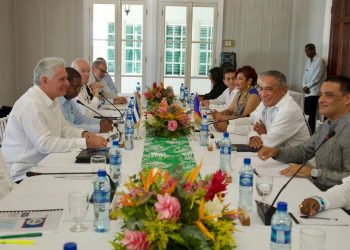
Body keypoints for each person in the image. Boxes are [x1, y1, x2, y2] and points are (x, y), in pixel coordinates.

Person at [2, 57, 108, 182]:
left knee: (89, 175)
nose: (67, 83)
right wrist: (84, 142)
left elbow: (63, 128)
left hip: (44, 163)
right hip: (24, 173)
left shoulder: (53, 99)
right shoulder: (31, 104)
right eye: (62, 79)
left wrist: (84, 134)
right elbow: (45, 144)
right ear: (44, 80)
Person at [258, 75, 350, 190]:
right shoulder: (327, 125)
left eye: (329, 95)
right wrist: (276, 152)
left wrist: (314, 173)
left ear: (347, 98)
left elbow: (348, 178)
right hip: (320, 189)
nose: (321, 100)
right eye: (321, 95)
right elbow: (303, 151)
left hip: (341, 202)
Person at [248, 70, 310, 149]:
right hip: (277, 155)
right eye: (260, 88)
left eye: (269, 89)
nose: (263, 94)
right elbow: (251, 122)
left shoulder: (288, 110)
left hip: (296, 160)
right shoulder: (266, 102)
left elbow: (269, 143)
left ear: (283, 90)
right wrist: (253, 136)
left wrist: (263, 134)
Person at [59, 67, 113, 133]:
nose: (78, 90)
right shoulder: (58, 103)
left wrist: (101, 121)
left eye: (80, 87)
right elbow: (69, 128)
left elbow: (81, 119)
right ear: (66, 84)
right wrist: (98, 128)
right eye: (75, 86)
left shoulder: (70, 101)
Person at [213, 65, 261, 132]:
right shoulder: (239, 92)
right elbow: (229, 110)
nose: (236, 81)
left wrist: (223, 117)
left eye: (240, 79)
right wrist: (219, 114)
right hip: (233, 126)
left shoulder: (253, 96)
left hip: (242, 130)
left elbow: (244, 118)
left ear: (249, 81)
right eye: (236, 78)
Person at [303, 43, 326, 134]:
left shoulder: (320, 61)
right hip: (307, 91)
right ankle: (306, 132)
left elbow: (317, 76)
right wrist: (304, 85)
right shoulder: (308, 61)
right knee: (306, 112)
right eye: (305, 51)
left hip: (314, 91)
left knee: (312, 115)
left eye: (308, 51)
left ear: (313, 50)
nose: (307, 53)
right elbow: (305, 75)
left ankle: (311, 133)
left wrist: (308, 86)